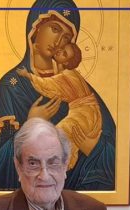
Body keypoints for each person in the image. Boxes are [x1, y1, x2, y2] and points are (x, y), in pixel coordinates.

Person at [0, 0, 116, 191]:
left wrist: (91, 146)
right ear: (35, 27)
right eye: (55, 29)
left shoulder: (77, 85)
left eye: (66, 37)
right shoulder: (11, 86)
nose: (59, 41)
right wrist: (30, 123)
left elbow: (113, 152)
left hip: (72, 195)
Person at [16, 43, 102, 172]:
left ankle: (60, 167)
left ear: (66, 62)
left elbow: (48, 84)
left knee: (60, 134)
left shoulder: (67, 76)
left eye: (64, 53)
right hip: (88, 111)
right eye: (62, 49)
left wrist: (28, 75)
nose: (59, 51)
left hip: (83, 113)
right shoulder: (72, 74)